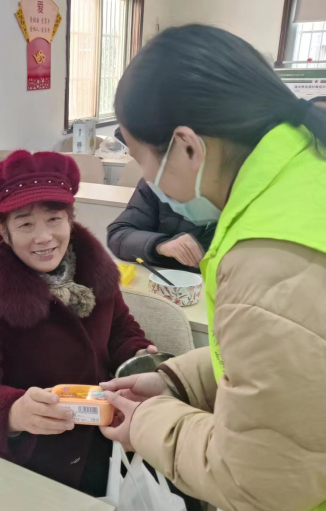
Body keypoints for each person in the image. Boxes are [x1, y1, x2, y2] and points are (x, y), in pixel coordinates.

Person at [98, 25, 326, 511]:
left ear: (187, 146)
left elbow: (258, 480)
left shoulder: (269, 257)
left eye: (141, 159)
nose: (145, 179)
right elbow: (293, 360)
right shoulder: (305, 170)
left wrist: (146, 421)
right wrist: (176, 381)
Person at [0, 150, 156, 496]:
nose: (43, 237)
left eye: (54, 219)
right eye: (25, 223)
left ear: (70, 219)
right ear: (4, 231)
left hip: (106, 435)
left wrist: (139, 356)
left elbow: (120, 328)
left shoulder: (94, 267)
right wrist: (13, 412)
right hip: (35, 456)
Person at [107, 179, 216, 271]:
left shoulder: (224, 193)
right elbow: (119, 236)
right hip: (163, 277)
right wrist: (160, 244)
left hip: (213, 283)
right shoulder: (154, 179)